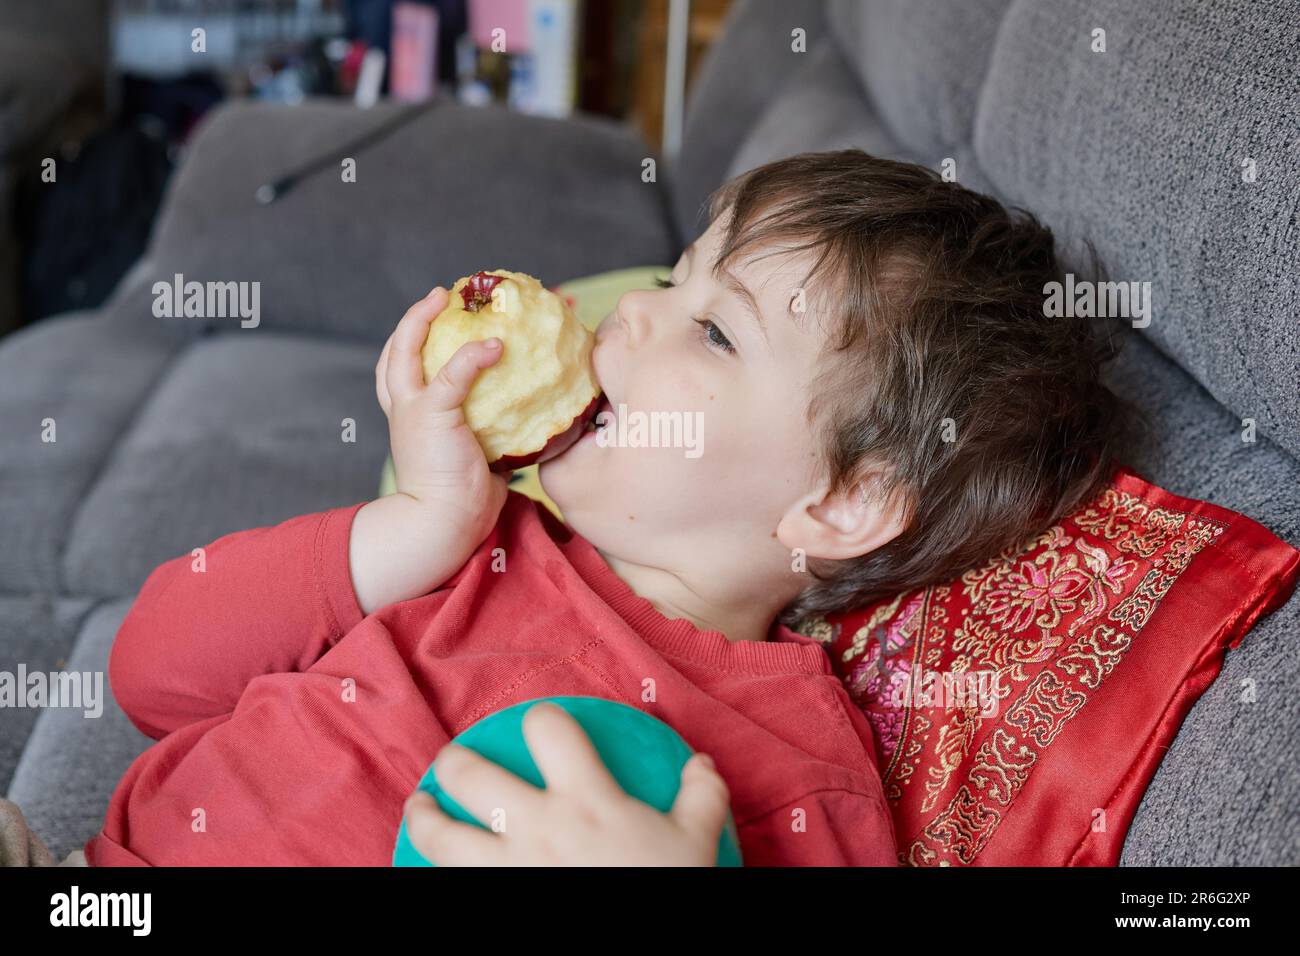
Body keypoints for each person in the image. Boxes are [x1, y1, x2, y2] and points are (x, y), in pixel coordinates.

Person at [81, 150, 1127, 866]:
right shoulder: (470, 544)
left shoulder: (801, 775)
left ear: (844, 501)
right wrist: (410, 529)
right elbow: (152, 676)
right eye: (673, 280)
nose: (630, 308)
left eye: (714, 331)